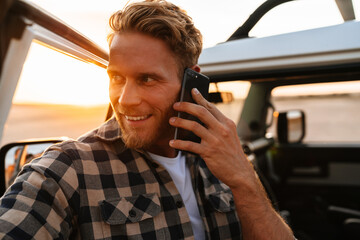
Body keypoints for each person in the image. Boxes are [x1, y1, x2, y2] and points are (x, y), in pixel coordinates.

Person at [0, 0, 295, 239]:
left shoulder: (225, 157)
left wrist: (244, 179)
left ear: (190, 79)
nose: (125, 99)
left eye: (147, 79)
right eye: (116, 77)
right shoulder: (66, 170)